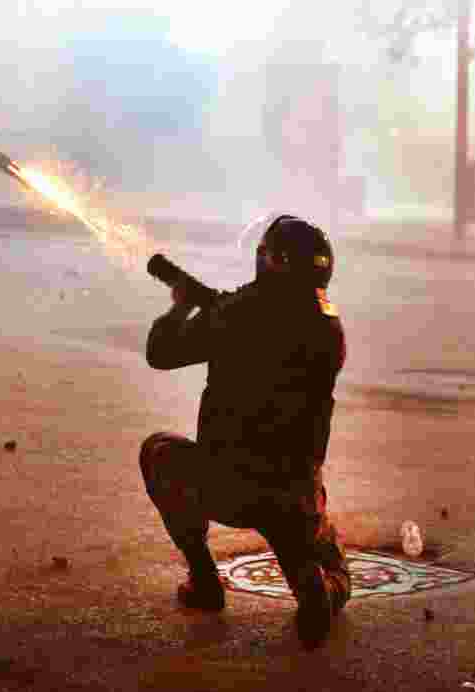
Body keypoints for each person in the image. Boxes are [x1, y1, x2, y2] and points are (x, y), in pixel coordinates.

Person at [139, 214, 351, 650]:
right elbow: (271, 329)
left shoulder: (237, 315)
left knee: (158, 451)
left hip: (229, 485)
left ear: (270, 261)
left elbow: (160, 353)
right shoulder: (329, 325)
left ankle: (203, 580)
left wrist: (181, 305)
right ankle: (317, 587)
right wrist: (222, 308)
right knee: (335, 576)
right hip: (296, 496)